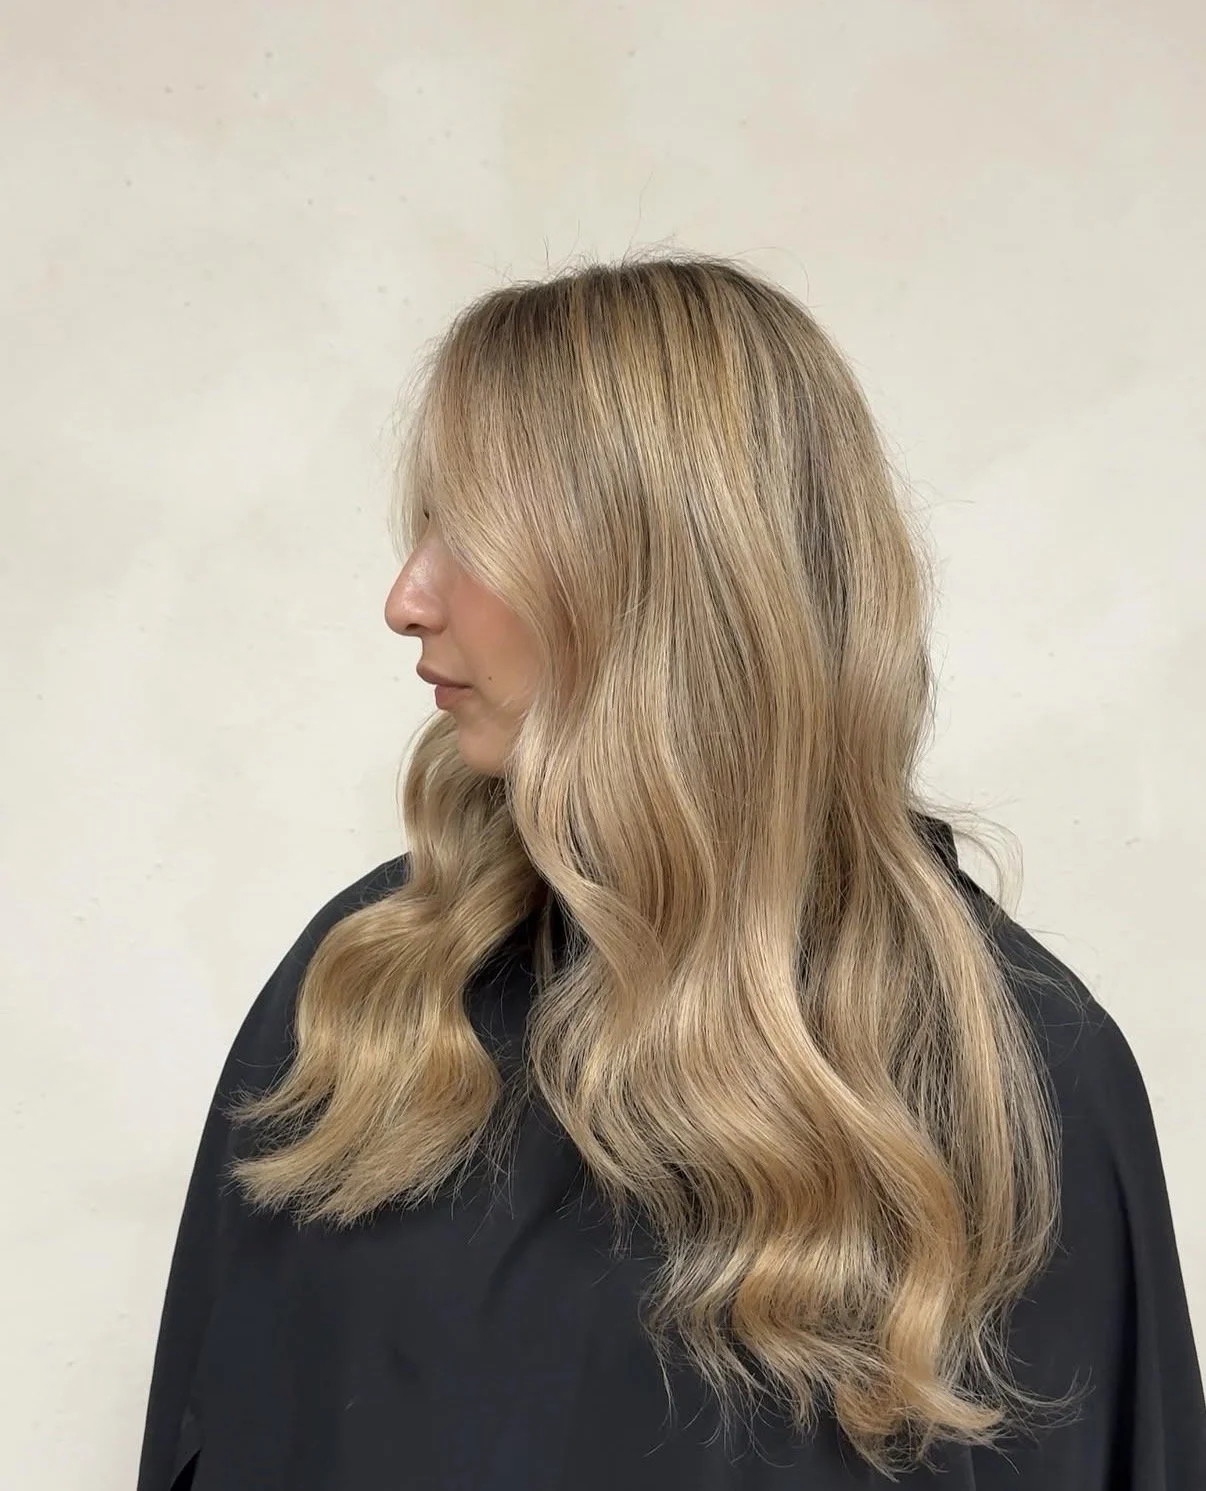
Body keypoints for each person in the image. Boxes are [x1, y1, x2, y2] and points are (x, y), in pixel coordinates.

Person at [136, 252, 1206, 1490]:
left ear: (654, 574)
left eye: (467, 531)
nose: (405, 597)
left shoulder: (1013, 1074)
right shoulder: (370, 1002)